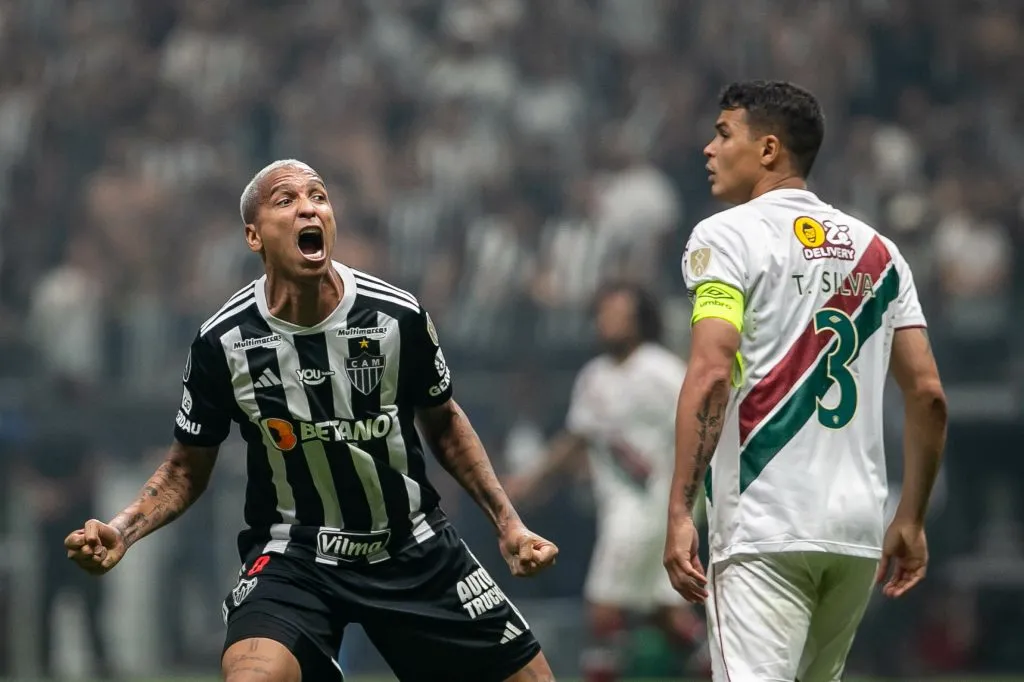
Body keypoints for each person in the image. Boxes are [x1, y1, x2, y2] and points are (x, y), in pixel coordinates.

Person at [64, 159, 559, 682]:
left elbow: (445, 424)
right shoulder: (222, 341)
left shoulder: (397, 316)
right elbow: (186, 468)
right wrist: (122, 529)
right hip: (295, 554)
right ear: (253, 236)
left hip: (409, 544)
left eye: (318, 196)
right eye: (286, 200)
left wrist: (509, 525)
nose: (308, 207)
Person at [663, 81, 947, 682]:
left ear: (768, 150)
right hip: (855, 532)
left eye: (722, 134)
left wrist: (680, 511)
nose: (707, 150)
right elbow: (928, 395)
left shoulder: (725, 236)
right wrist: (911, 519)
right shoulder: (880, 252)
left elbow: (713, 373)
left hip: (765, 525)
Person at [505, 282, 706, 682]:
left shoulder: (661, 370)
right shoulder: (593, 377)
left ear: (639, 320)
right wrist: (530, 481)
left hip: (652, 505)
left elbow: (702, 416)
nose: (607, 320)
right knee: (663, 611)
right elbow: (576, 439)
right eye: (603, 313)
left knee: (602, 606)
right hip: (621, 507)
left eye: (617, 312)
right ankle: (714, 664)